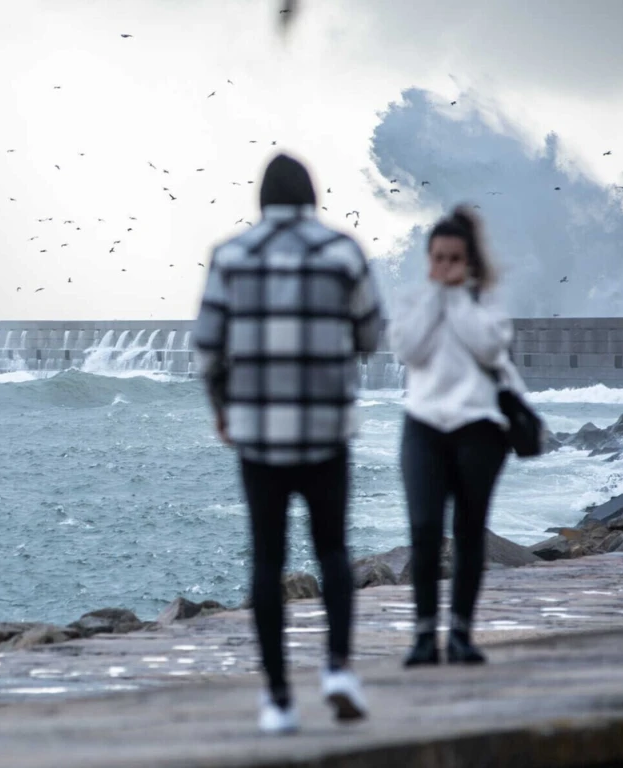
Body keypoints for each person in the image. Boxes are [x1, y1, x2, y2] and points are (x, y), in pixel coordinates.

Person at [194, 153, 383, 733]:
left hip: (259, 436)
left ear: (262, 200)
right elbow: (371, 333)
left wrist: (222, 408)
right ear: (312, 196)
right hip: (326, 431)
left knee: (267, 559)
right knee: (333, 551)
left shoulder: (231, 256)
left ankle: (278, 699)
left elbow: (207, 346)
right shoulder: (343, 251)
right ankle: (339, 670)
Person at [389, 205, 516, 667]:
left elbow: (489, 347)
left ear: (469, 261)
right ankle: (425, 636)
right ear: (428, 259)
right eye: (438, 258)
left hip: (478, 429)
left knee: (468, 531)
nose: (445, 266)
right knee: (424, 529)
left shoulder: (486, 302)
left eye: (454, 259)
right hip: (423, 426)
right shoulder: (413, 301)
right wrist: (437, 298)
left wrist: (458, 298)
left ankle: (460, 633)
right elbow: (408, 349)